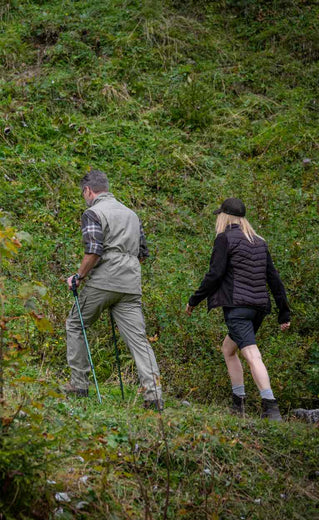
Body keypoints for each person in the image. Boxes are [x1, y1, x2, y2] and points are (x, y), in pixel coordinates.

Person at [63, 169, 163, 410]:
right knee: (139, 340)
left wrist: (79, 276)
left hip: (103, 281)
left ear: (88, 190)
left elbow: (94, 250)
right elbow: (143, 254)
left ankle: (79, 384)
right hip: (131, 283)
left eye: (83, 193)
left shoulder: (93, 212)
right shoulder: (132, 214)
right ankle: (154, 395)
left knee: (76, 324)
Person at [186, 198, 290, 421]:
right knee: (228, 348)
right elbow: (274, 279)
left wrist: (194, 300)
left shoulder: (224, 239)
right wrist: (284, 311)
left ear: (224, 216)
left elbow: (215, 274)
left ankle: (271, 407)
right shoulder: (259, 242)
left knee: (252, 354)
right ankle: (238, 403)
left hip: (237, 308)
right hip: (258, 308)